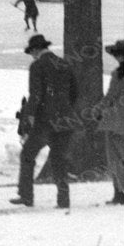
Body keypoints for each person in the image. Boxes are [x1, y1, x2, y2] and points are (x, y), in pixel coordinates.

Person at [14, 33, 79, 209]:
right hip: (65, 120)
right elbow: (74, 93)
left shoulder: (37, 66)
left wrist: (29, 119)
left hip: (45, 122)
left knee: (27, 155)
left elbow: (35, 96)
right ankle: (63, 200)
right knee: (59, 160)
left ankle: (26, 196)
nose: (32, 55)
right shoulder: (64, 64)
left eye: (32, 52)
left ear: (36, 50)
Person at [96, 40, 123, 205]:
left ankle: (120, 194)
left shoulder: (117, 74)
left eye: (119, 54)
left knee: (115, 159)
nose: (118, 57)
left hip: (116, 122)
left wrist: (97, 111)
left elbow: (110, 97)